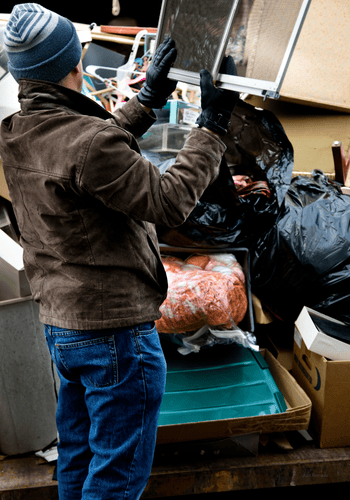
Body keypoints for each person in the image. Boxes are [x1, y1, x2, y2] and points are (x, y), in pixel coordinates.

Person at [0, 4, 239, 500]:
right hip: (116, 335)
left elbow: (86, 153)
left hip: (65, 329)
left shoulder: (18, 132)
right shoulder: (87, 142)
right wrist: (213, 127)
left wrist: (148, 98)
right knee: (116, 476)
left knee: (80, 455)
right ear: (75, 61)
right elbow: (168, 201)